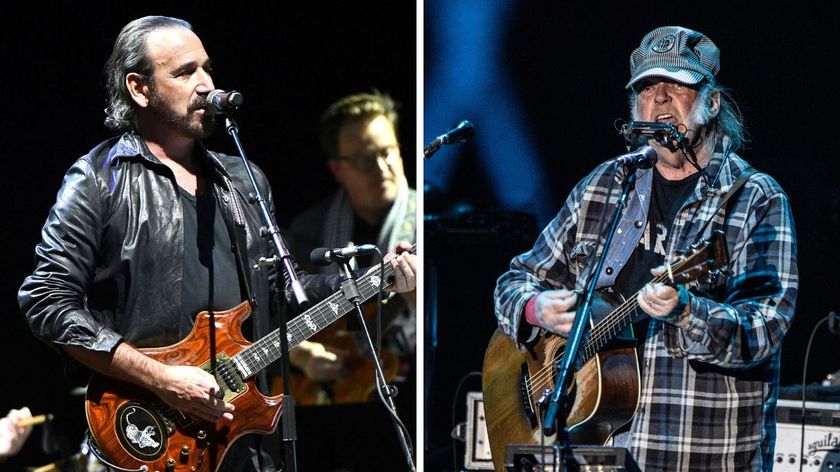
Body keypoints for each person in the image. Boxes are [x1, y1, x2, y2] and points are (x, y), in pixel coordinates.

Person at [17, 16, 416, 472]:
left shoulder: (242, 179)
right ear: (139, 88)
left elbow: (282, 290)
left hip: (239, 436)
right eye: (185, 73)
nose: (206, 84)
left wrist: (377, 278)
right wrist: (162, 378)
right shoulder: (98, 179)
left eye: (207, 68)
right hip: (150, 428)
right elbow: (46, 300)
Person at [494, 26, 797, 471]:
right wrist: (534, 308)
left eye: (678, 86)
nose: (659, 99)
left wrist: (686, 311)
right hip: (585, 451)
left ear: (711, 102)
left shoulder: (755, 198)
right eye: (647, 87)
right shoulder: (605, 184)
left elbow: (766, 329)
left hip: (696, 454)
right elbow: (515, 280)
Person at [286, 91, 416, 396]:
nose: (382, 168)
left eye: (388, 152)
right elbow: (279, 316)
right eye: (363, 160)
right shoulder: (308, 230)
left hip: (405, 388)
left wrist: (417, 297)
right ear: (337, 169)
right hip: (330, 393)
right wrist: (302, 354)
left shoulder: (426, 222)